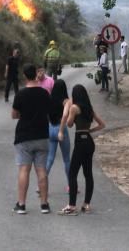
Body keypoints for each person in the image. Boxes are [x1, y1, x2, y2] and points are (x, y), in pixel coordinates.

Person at [58, 84, 106, 215]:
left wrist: (68, 111)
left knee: (73, 173)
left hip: (80, 140)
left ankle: (72, 205)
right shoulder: (89, 109)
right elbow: (102, 124)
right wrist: (90, 130)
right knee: (88, 173)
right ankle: (86, 204)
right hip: (89, 141)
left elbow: (69, 123)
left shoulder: (74, 107)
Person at [12, 64, 52, 215]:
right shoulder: (44, 93)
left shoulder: (20, 94)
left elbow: (14, 115)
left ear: (24, 76)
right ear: (36, 74)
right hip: (42, 134)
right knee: (41, 170)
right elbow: (49, 112)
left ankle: (21, 204)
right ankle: (44, 204)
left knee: (24, 169)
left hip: (24, 136)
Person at [46, 79, 72, 193]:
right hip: (61, 128)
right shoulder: (66, 101)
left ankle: (41, 184)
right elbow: (66, 116)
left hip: (51, 128)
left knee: (50, 158)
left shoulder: (49, 99)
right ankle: (71, 185)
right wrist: (61, 130)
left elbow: (46, 114)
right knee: (66, 159)